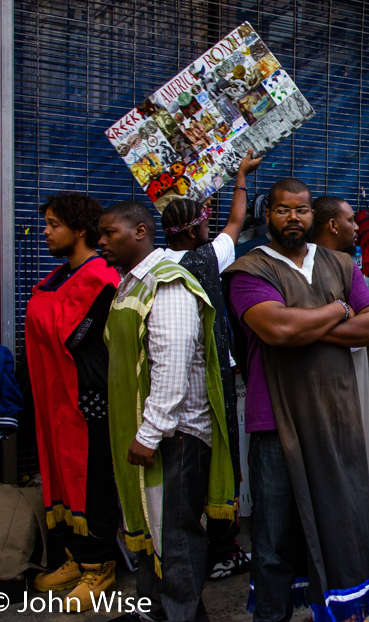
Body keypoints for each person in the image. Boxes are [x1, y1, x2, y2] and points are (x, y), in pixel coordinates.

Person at [223, 178, 369, 622]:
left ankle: (337, 610)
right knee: (274, 539)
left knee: (343, 521)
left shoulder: (341, 263)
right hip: (277, 421)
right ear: (266, 214)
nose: (294, 217)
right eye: (283, 209)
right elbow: (278, 330)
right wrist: (339, 310)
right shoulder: (248, 270)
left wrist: (306, 324)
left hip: (337, 414)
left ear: (314, 215)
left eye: (302, 209)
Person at [100, 201, 235, 622]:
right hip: (153, 433)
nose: (100, 241)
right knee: (152, 533)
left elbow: (172, 364)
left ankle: (180, 615)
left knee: (174, 539)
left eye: (109, 233)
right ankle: (154, 612)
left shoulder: (168, 284)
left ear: (140, 231)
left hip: (175, 437)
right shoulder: (132, 283)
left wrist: (150, 431)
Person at [160, 149, 262, 581]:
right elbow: (236, 223)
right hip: (213, 380)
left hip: (168, 387)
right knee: (223, 461)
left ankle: (185, 548)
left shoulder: (156, 265)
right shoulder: (209, 257)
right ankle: (223, 549)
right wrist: (240, 175)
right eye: (205, 221)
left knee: (181, 472)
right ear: (198, 228)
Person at [26, 194, 120, 610]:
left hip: (92, 400)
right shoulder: (57, 277)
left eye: (52, 224)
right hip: (56, 399)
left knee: (94, 482)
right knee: (64, 477)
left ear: (79, 230)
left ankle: (100, 567)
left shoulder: (100, 280)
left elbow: (72, 337)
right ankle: (77, 556)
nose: (45, 232)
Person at [312, 194, 369, 492]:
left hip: (353, 372)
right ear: (332, 224)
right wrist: (343, 312)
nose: (357, 228)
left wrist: (312, 328)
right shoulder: (304, 266)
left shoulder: (349, 267)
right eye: (350, 220)